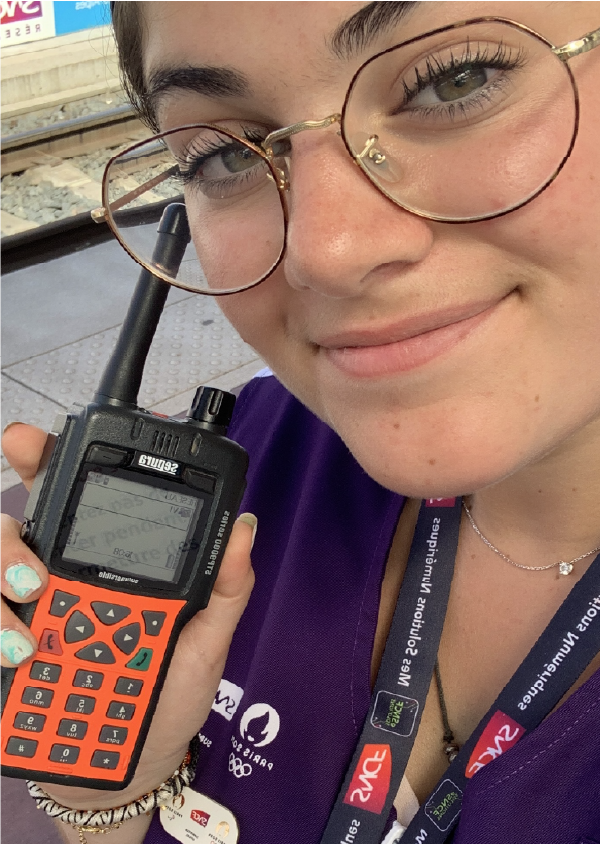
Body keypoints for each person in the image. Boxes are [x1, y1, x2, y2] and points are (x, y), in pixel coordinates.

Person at [0, 2, 599, 843]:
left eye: (456, 80)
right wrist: (110, 798)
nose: (327, 248)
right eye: (219, 155)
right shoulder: (252, 463)